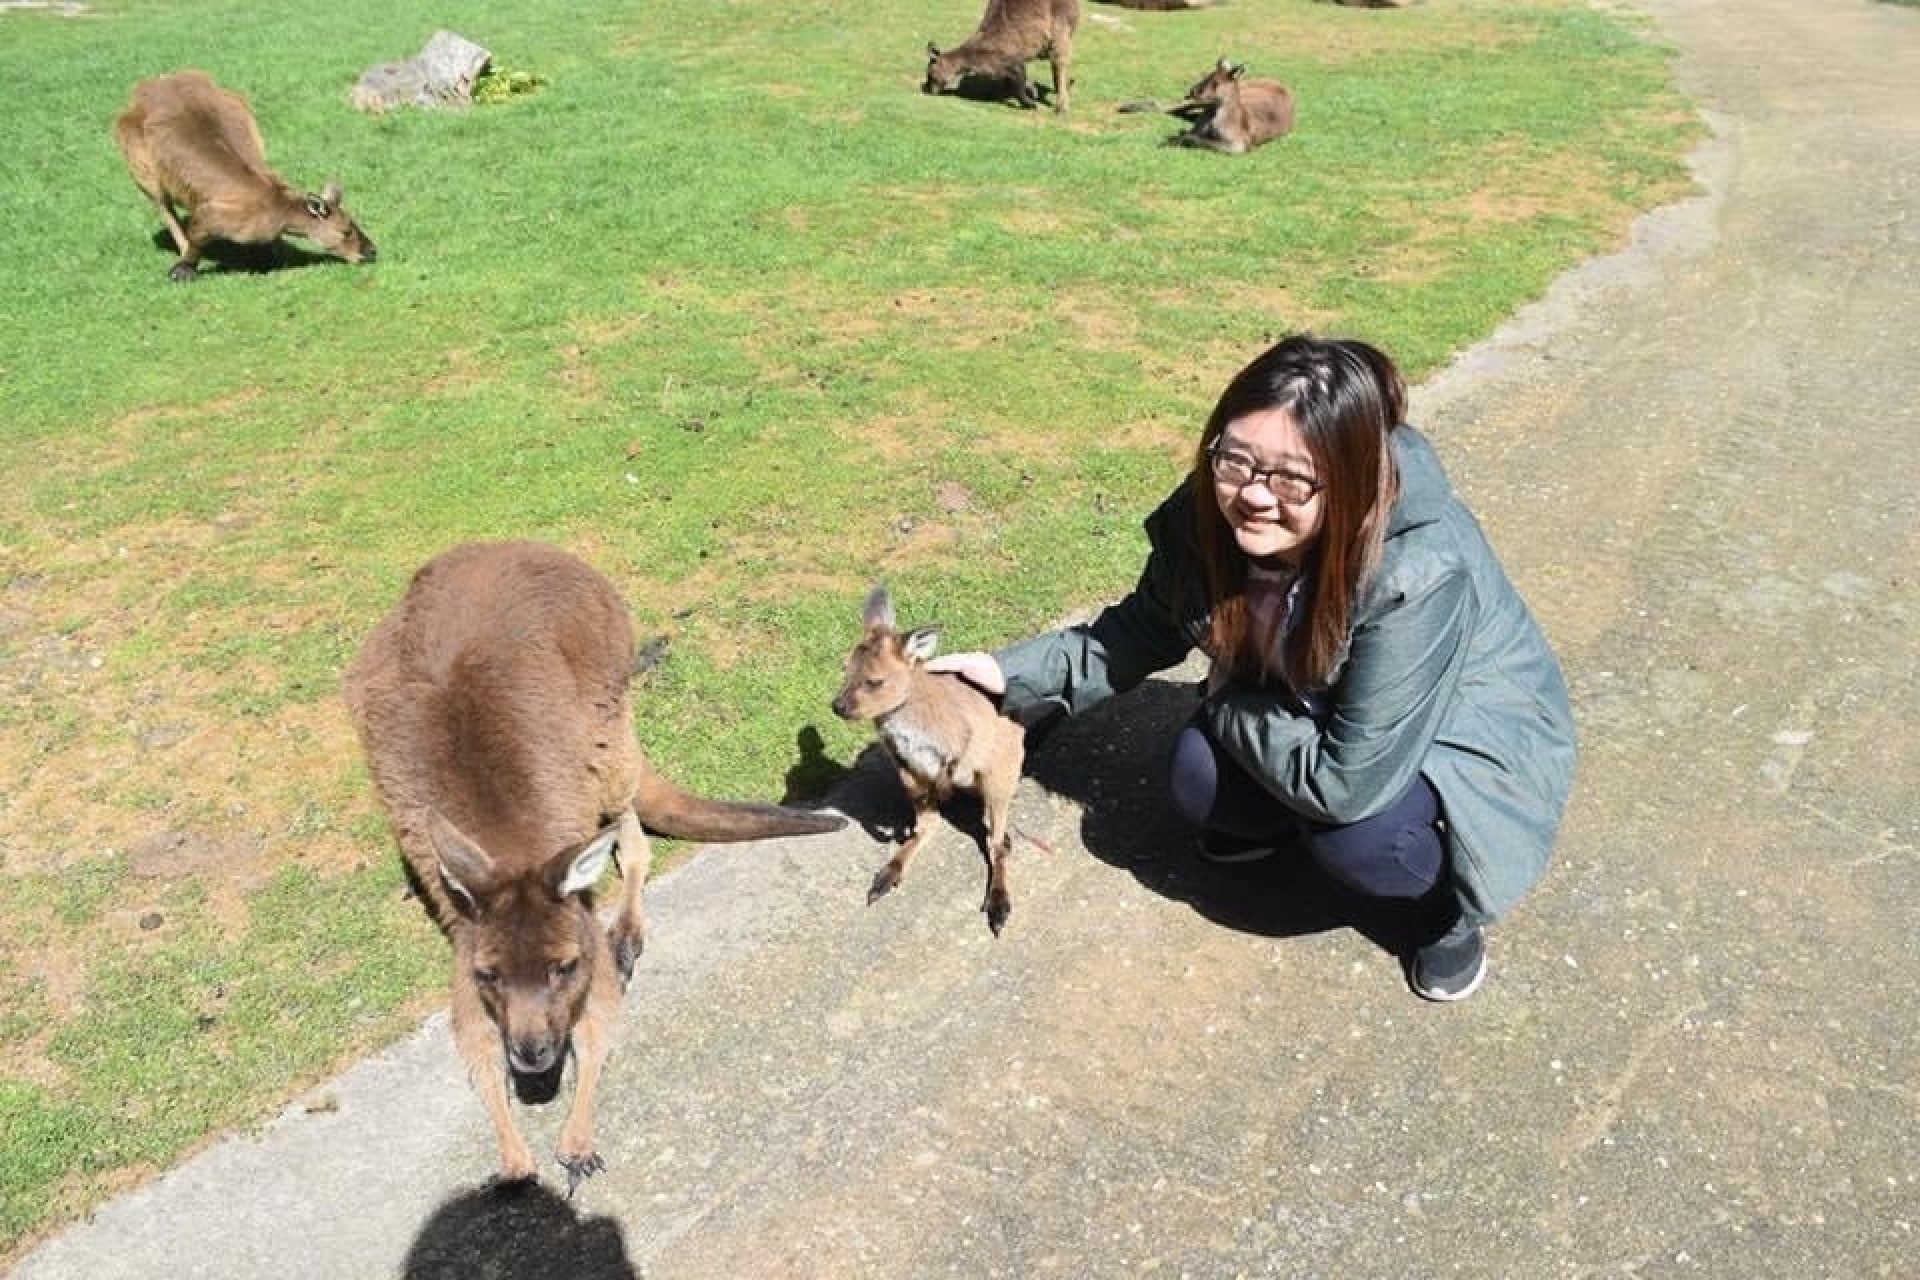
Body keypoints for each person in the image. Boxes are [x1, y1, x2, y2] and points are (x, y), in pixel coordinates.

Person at [931, 334, 1576, 1001]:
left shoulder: (1418, 570)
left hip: (1450, 728)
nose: (1255, 495)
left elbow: (1347, 786)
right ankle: (1273, 819)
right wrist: (1003, 673)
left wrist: (1228, 702)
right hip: (1307, 701)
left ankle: (1446, 910)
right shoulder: (1209, 513)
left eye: (1293, 477)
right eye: (1235, 459)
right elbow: (1142, 627)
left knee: (1361, 837)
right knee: (1197, 776)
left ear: (1351, 478)